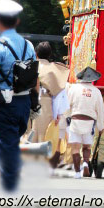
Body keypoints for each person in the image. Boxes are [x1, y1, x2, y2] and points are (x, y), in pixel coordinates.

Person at [0, 0, 39, 191]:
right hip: (24, 102)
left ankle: (10, 183)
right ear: (17, 21)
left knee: (7, 143)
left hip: (5, 102)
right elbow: (35, 76)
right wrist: (34, 103)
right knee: (13, 140)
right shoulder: (28, 45)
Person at [34, 41, 70, 173]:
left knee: (31, 133)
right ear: (49, 54)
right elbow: (59, 95)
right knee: (45, 134)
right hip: (46, 103)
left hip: (28, 102)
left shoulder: (30, 66)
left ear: (36, 54)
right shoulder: (54, 70)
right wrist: (58, 114)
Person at [67, 66, 104, 179]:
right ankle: (85, 163)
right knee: (87, 147)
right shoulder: (96, 91)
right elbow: (100, 110)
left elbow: (67, 105)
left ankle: (77, 172)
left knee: (75, 147)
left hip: (76, 120)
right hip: (89, 122)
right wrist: (101, 126)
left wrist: (66, 119)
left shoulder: (73, 89)